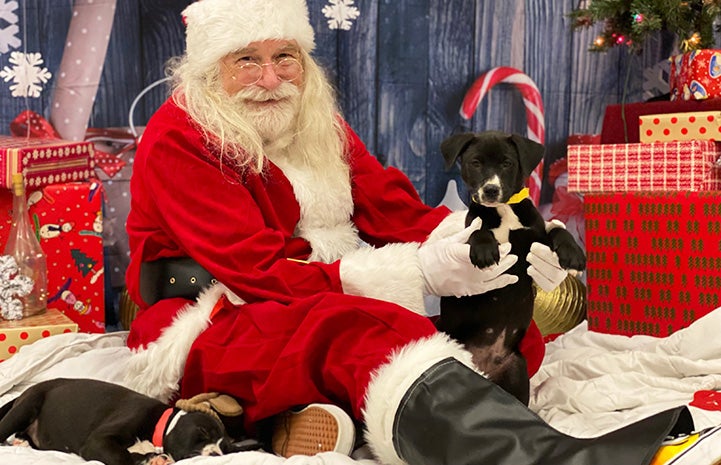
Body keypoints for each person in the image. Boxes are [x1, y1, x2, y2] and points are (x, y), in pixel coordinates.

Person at [122, 0, 692, 464]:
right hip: (213, 314)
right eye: (247, 59)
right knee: (357, 329)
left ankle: (299, 415)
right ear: (210, 68)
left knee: (508, 331)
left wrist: (490, 249)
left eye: (285, 56)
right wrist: (418, 271)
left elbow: (392, 209)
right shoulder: (183, 135)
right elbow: (255, 268)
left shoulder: (315, 117)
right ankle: (544, 458)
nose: (271, 78)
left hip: (311, 294)